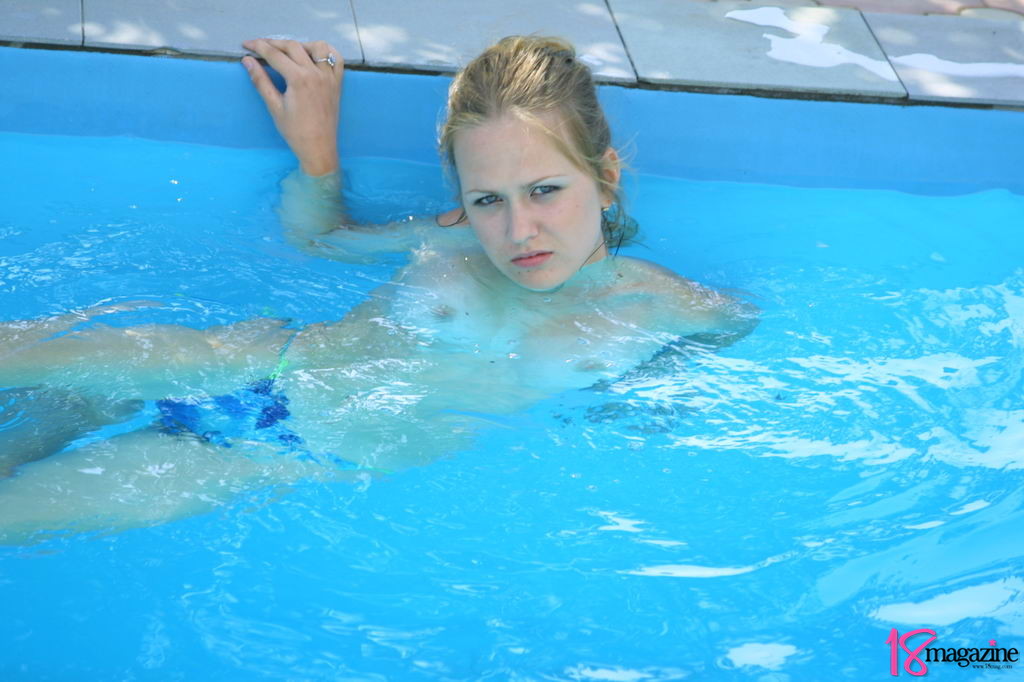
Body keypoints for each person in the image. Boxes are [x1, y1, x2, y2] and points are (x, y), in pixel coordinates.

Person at [0, 36, 756, 543]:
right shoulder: (453, 235)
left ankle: (77, 412)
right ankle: (79, 401)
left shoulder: (670, 308)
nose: (517, 229)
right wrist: (316, 150)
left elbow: (727, 343)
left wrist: (647, 389)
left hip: (278, 457)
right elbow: (322, 239)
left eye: (546, 190)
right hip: (236, 361)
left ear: (607, 176)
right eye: (487, 199)